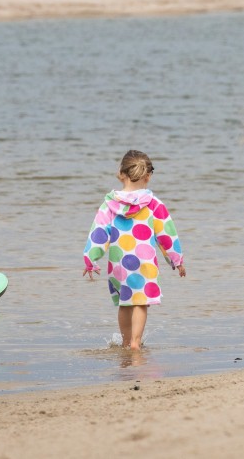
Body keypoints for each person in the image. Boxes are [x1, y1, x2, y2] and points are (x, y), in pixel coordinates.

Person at [82, 150, 186, 350]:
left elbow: (99, 233)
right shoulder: (154, 204)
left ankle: (125, 341)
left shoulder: (109, 205)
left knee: (125, 302)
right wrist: (176, 259)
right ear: (148, 177)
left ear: (121, 174)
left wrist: (90, 259)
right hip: (144, 262)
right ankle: (136, 343)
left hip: (120, 262)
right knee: (140, 302)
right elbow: (166, 234)